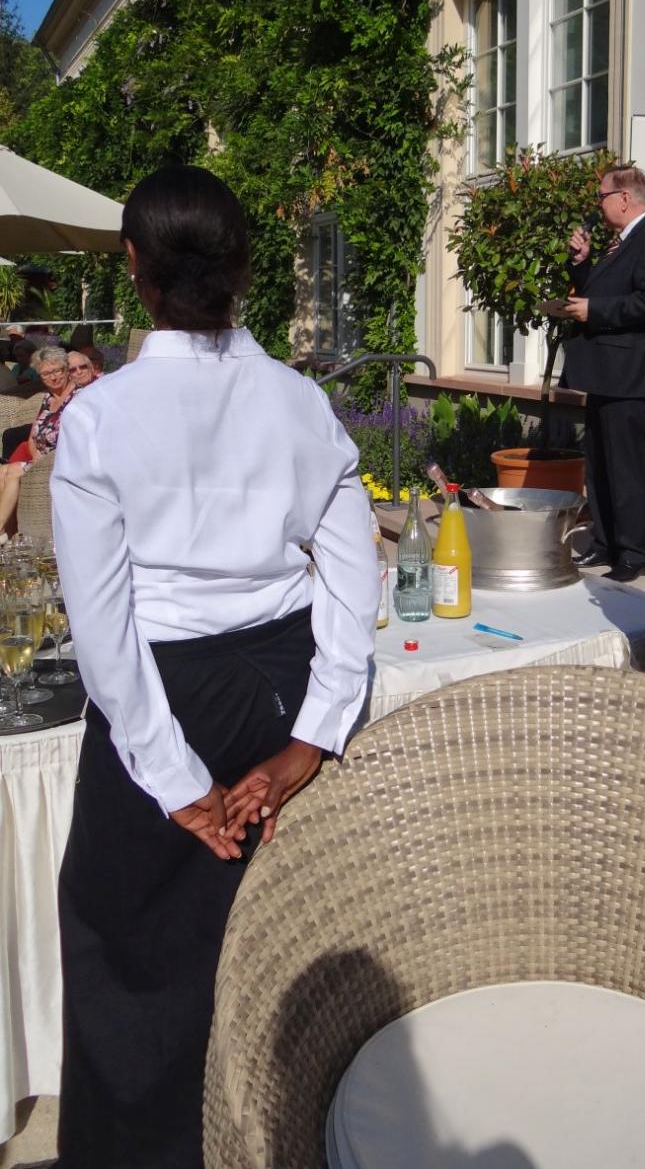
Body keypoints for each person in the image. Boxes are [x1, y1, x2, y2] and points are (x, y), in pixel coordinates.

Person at [51, 164, 380, 1169]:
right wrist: (311, 734)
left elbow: (102, 626)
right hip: (278, 681)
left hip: (166, 690)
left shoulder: (101, 416)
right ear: (242, 269)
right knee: (273, 946)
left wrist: (174, 776)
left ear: (135, 268)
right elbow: (352, 572)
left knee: (128, 951)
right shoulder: (298, 400)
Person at [560, 165, 645, 582]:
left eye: (602, 196)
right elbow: (604, 291)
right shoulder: (621, 243)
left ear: (625, 198)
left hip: (632, 376)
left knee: (627, 467)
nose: (599, 204)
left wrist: (595, 310)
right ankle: (606, 541)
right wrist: (581, 265)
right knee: (600, 464)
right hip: (606, 375)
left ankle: (633, 552)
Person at [0, 346, 78, 530]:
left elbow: (74, 437)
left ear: (66, 369)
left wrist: (42, 461)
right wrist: (35, 456)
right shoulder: (48, 398)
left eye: (57, 371)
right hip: (39, 459)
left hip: (61, 460)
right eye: (46, 374)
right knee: (2, 471)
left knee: (12, 472)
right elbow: (33, 435)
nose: (53, 377)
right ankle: (8, 533)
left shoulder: (78, 397)